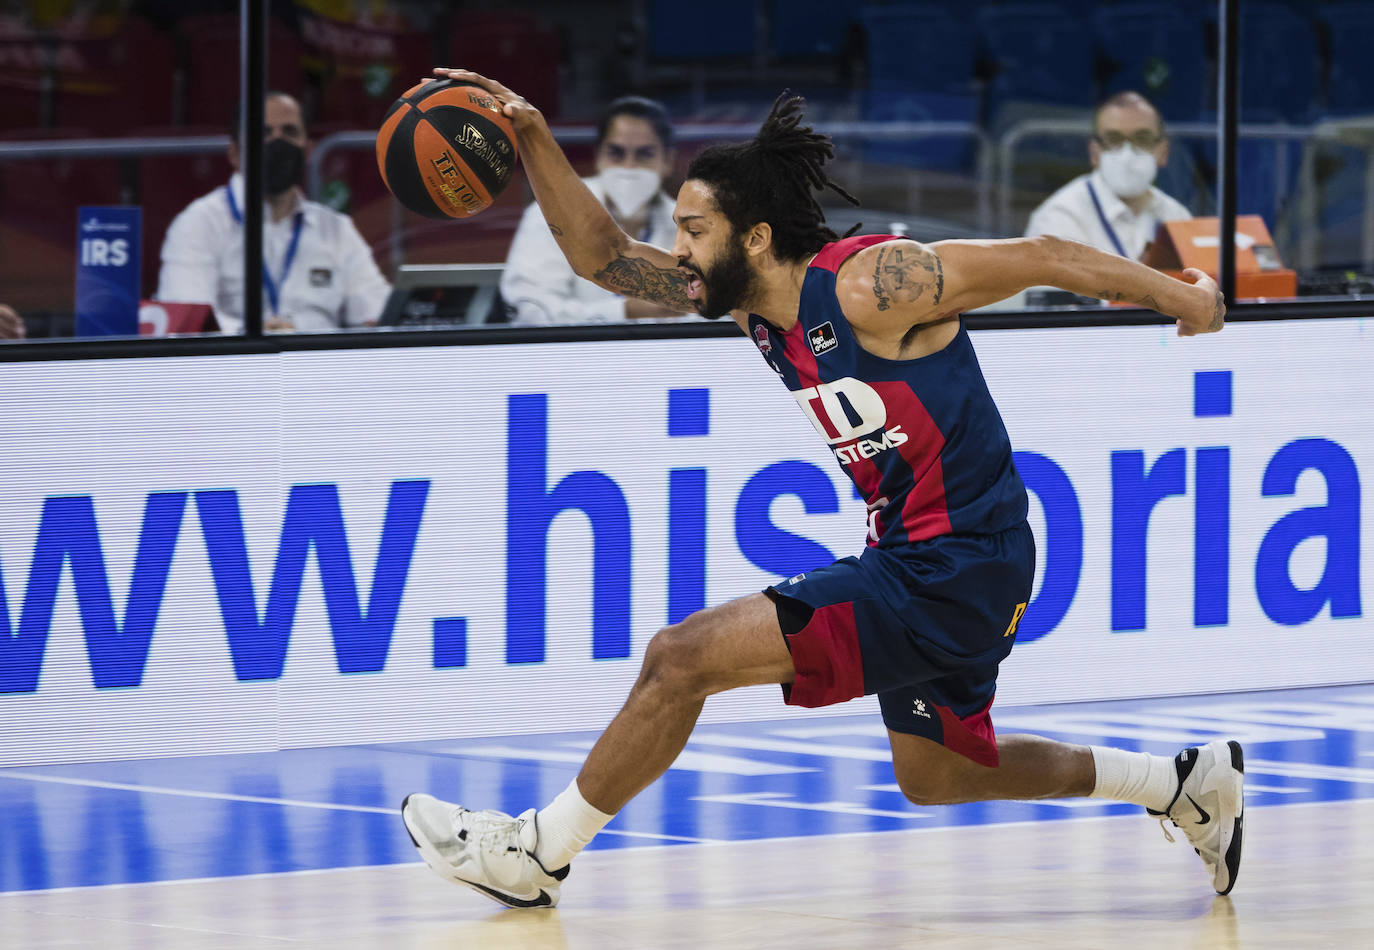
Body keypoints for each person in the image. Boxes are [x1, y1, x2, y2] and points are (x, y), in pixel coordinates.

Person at [400, 68, 1239, 910]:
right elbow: (605, 258)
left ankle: (537, 852)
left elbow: (1044, 257)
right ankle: (1179, 785)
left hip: (953, 563)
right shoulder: (748, 307)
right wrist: (535, 136)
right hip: (938, 561)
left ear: (756, 238)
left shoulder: (872, 284)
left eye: (693, 230)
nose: (680, 250)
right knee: (938, 775)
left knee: (679, 657)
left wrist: (1186, 298)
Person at [155, 91, 391, 334]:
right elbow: (185, 321)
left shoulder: (337, 229)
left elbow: (378, 314)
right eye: (263, 133)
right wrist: (252, 332)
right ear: (235, 153)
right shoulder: (199, 223)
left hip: (319, 363)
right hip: (233, 363)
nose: (277, 143)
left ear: (308, 150)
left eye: (289, 132)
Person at [500, 95, 689, 325]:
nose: (629, 167)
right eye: (617, 153)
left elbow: (711, 314)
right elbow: (529, 313)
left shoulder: (689, 227)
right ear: (598, 155)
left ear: (668, 160)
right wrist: (626, 311)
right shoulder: (548, 212)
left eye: (644, 154)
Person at [1025, 91, 1191, 262]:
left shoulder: (1177, 216)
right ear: (1094, 152)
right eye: (1114, 139)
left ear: (1163, 151)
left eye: (1142, 139)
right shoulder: (1059, 217)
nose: (1127, 154)